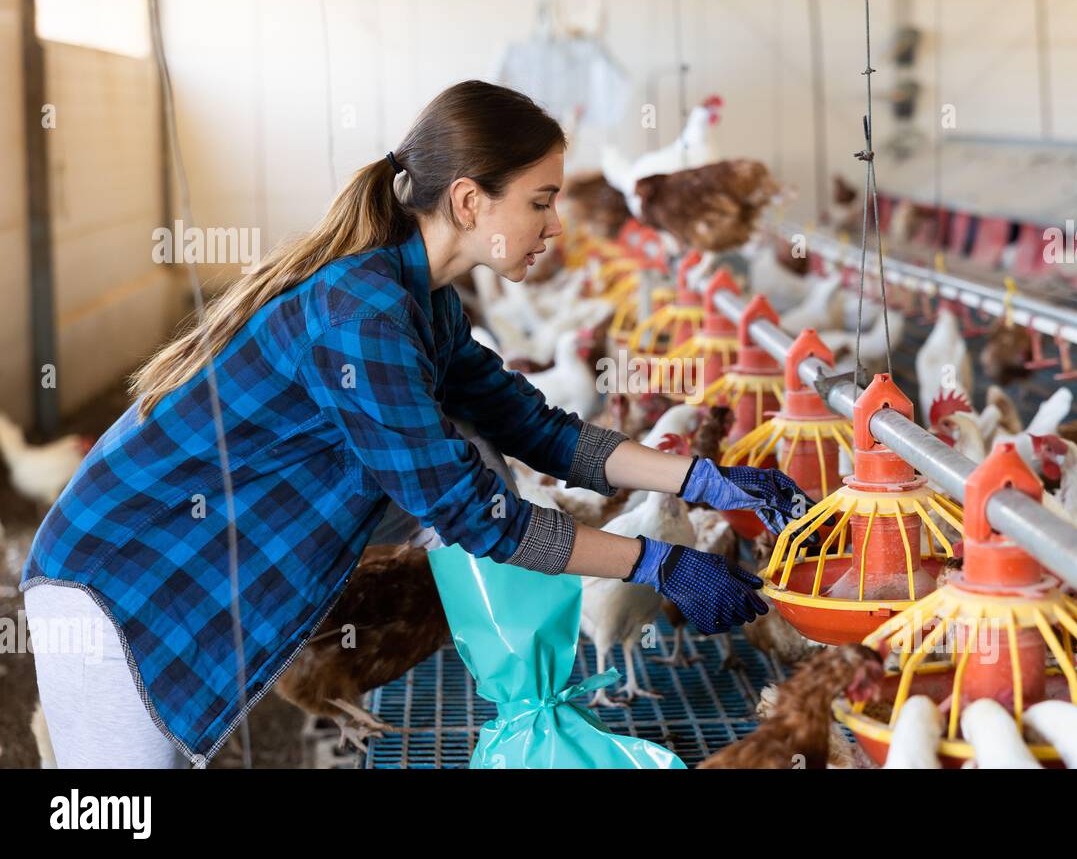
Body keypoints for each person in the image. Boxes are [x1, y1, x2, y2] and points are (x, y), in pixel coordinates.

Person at [20, 80, 809, 768]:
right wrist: (660, 565)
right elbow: (471, 513)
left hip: (181, 574)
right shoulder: (362, 313)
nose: (555, 226)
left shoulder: (423, 303)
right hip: (119, 577)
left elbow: (534, 427)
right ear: (470, 201)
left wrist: (703, 478)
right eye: (540, 202)